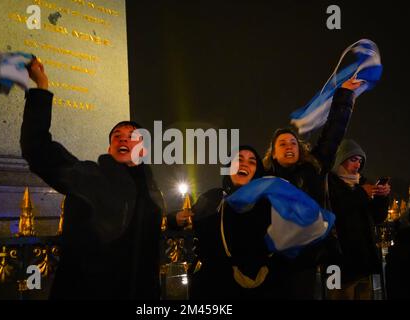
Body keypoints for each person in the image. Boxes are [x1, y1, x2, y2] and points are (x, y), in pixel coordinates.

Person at [21, 60, 165, 299]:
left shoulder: (151, 191)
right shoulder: (89, 176)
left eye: (132, 136)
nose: (123, 140)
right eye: (117, 136)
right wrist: (42, 87)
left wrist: (174, 220)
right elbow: (37, 149)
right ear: (109, 148)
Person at [261, 79, 363, 299]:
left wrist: (344, 96)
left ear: (300, 149)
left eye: (293, 142)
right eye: (282, 144)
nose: (289, 146)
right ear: (274, 154)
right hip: (284, 262)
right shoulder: (265, 181)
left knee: (334, 293)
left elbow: (333, 132)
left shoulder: (315, 167)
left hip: (322, 256)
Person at [172, 146, 274, 299]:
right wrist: (174, 219)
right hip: (212, 287)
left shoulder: (267, 203)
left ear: (257, 172)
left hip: (254, 288)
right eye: (238, 160)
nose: (244, 164)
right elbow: (187, 219)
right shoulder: (212, 198)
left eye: (251, 162)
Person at [326, 139, 390, 299]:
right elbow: (335, 211)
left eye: (360, 161)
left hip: (362, 263)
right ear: (340, 159)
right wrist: (361, 194)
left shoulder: (360, 184)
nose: (358, 165)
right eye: (353, 159)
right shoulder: (328, 184)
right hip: (337, 264)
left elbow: (377, 217)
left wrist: (382, 197)